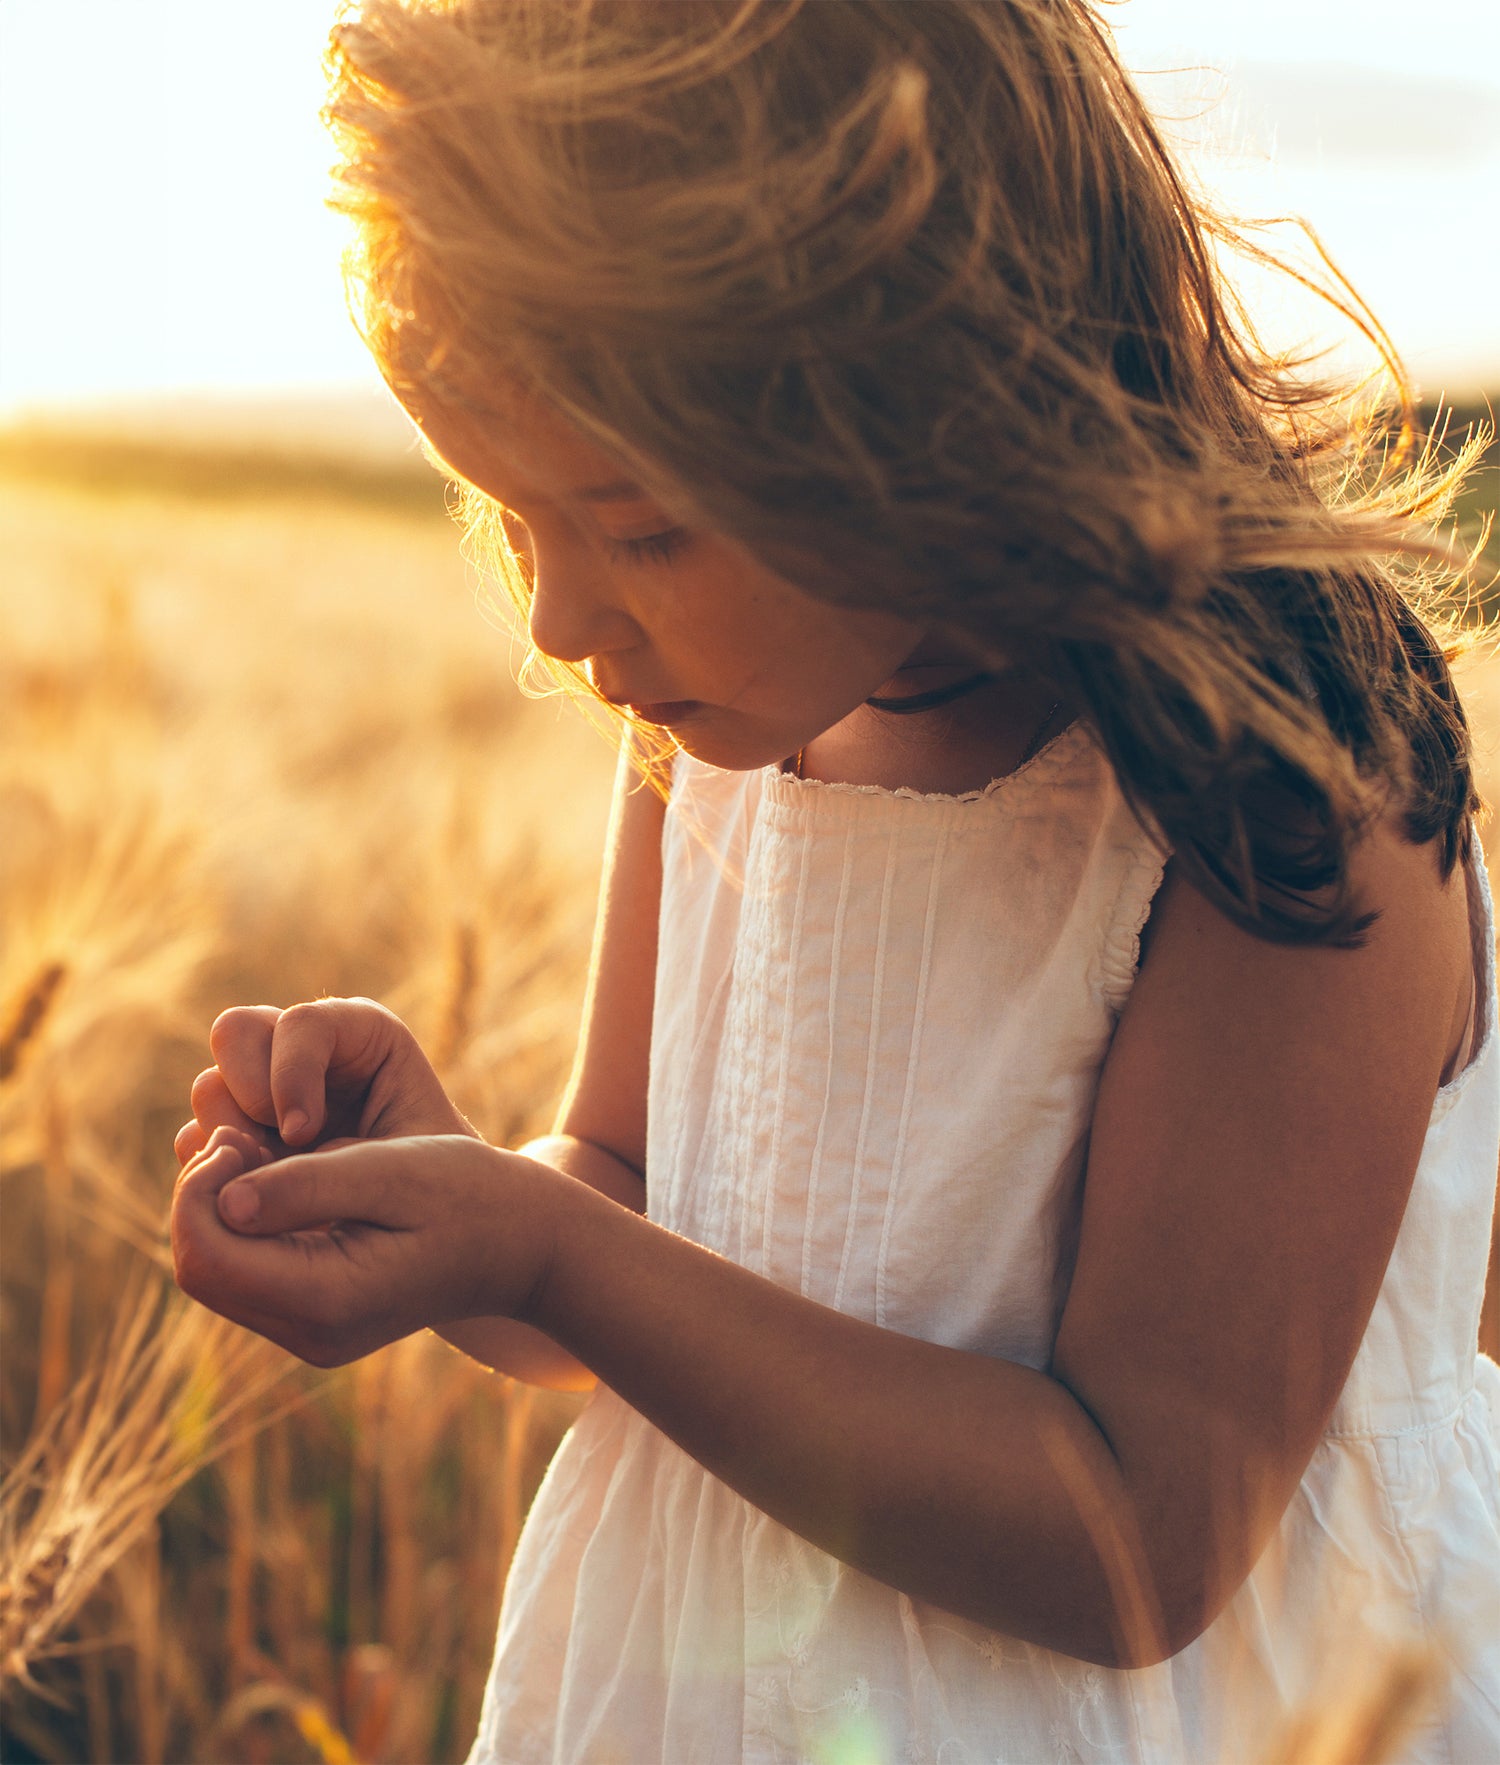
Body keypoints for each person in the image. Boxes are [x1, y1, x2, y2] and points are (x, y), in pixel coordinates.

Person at [170, 2, 1500, 1758]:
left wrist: (555, 1251)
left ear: (943, 404)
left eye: (639, 525)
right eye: (508, 512)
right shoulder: (727, 712)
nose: (560, 625)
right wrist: (460, 1209)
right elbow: (632, 1196)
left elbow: (1138, 1541)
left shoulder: (1283, 791)